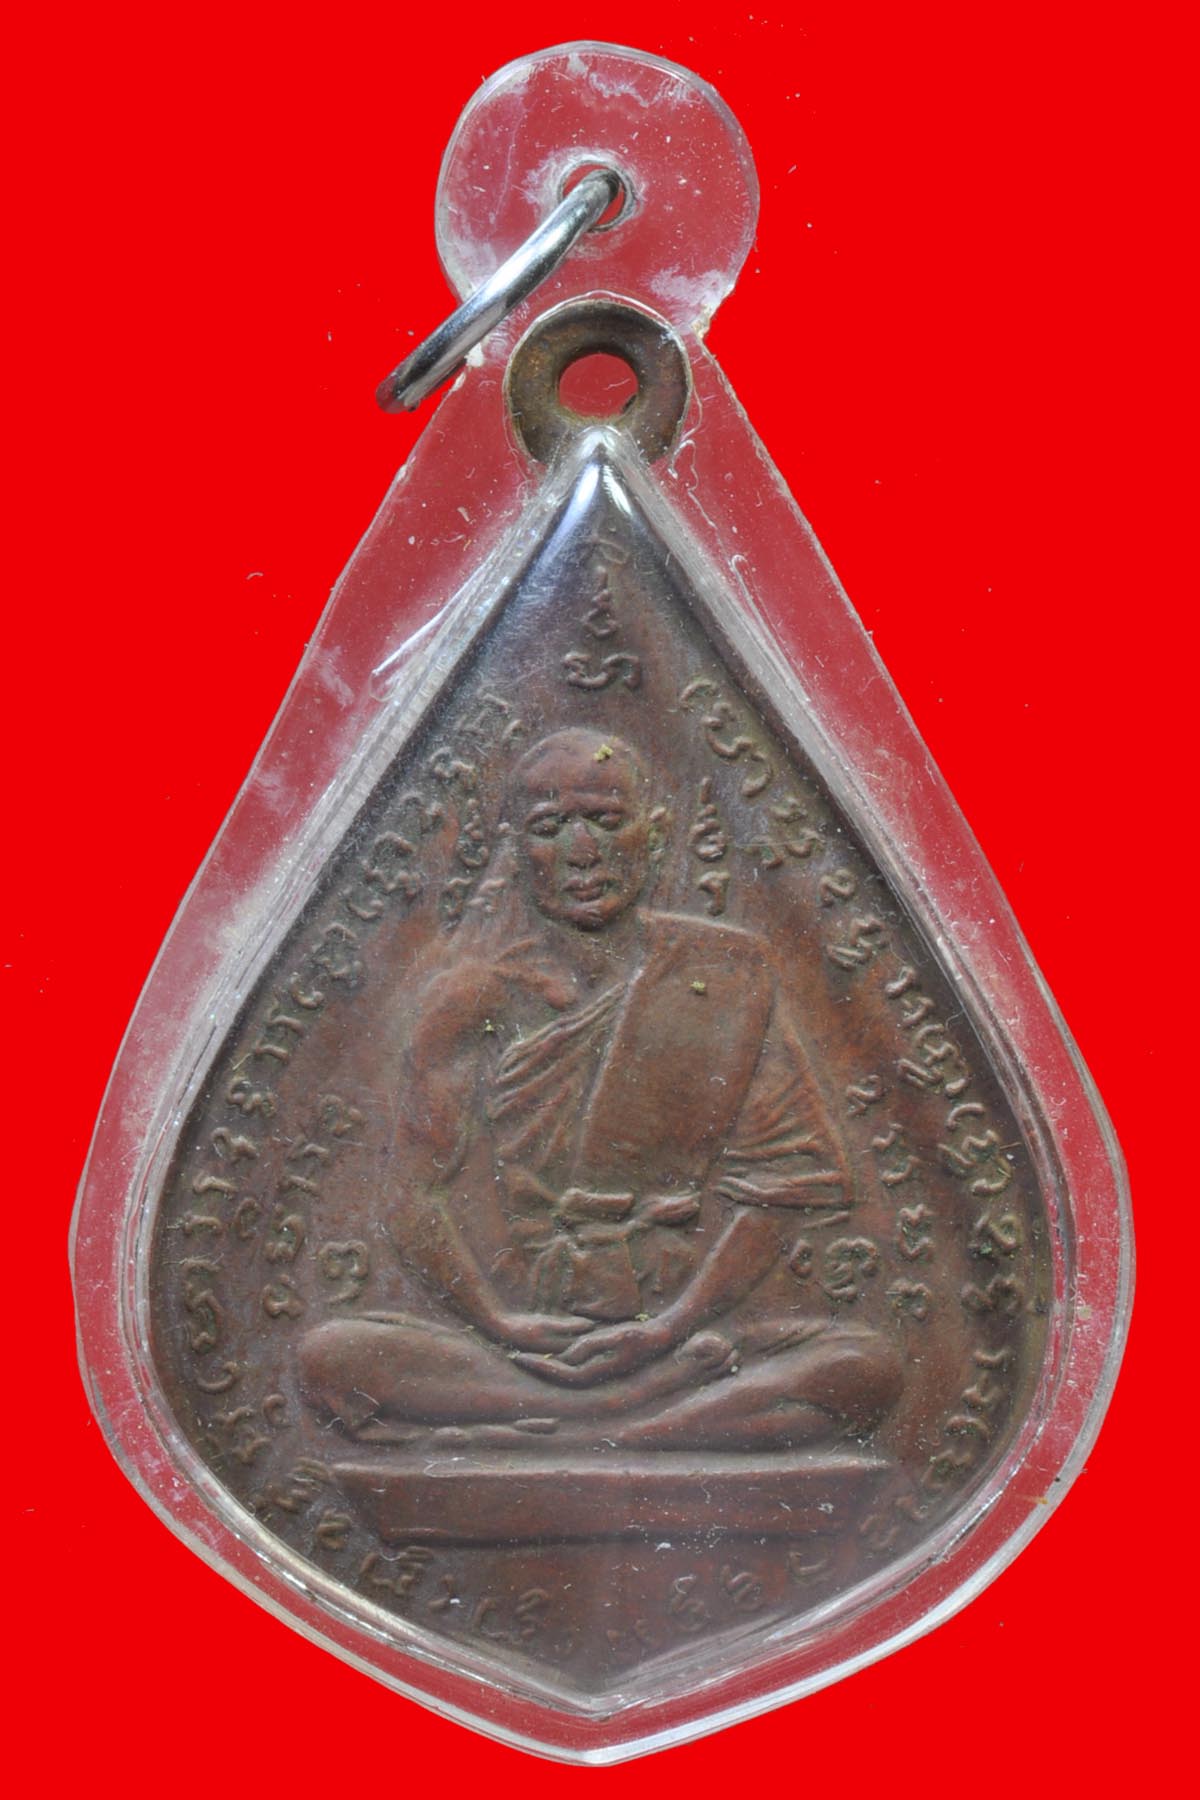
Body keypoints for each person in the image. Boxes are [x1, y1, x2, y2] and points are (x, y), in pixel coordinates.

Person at [301, 728, 901, 1451]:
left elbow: (785, 1184)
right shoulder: (473, 996)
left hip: (685, 1325)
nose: (582, 851)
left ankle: (567, 1429)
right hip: (533, 1338)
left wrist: (668, 1328)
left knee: (868, 1370)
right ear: (517, 851)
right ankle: (632, 1422)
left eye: (607, 820)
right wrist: (500, 1323)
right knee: (332, 1359)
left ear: (658, 831)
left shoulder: (726, 970)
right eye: (549, 827)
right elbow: (412, 1196)